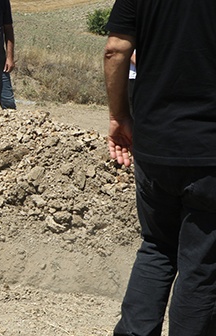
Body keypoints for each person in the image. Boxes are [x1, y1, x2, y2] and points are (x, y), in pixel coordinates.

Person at [104, 1, 216, 335]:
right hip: (209, 152)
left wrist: (118, 116)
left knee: (156, 247)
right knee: (201, 265)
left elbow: (115, 49)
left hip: (154, 145)